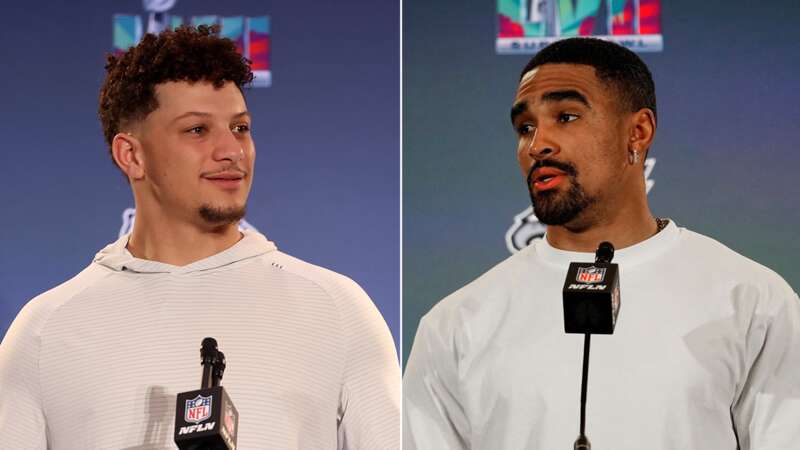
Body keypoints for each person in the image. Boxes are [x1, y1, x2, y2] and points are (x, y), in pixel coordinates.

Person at [0, 26, 399, 449]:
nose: (232, 151)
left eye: (240, 128)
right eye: (197, 130)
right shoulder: (44, 331)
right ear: (131, 155)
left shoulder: (336, 309)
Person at [403, 37, 800, 450]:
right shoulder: (455, 325)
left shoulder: (752, 300)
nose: (537, 145)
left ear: (638, 131)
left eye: (567, 116)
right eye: (525, 128)